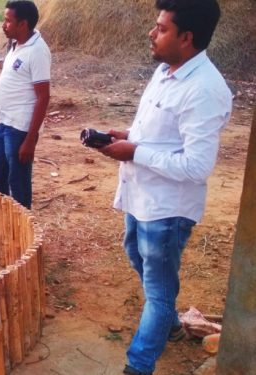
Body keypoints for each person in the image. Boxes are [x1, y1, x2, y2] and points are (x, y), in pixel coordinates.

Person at [95, 1, 232, 374]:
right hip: (142, 196)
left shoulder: (204, 90)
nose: (151, 33)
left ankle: (138, 366)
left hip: (167, 208)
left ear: (186, 38)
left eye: (161, 28)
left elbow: (197, 165)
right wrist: (128, 137)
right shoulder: (166, 71)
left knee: (157, 289)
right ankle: (169, 323)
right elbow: (162, 137)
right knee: (137, 256)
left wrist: (135, 151)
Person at [0, 0, 50, 210]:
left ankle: (24, 230)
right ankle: (6, 220)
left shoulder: (38, 51)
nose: (3, 25)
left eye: (8, 21)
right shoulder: (15, 44)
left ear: (23, 24)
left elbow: (43, 97)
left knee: (19, 182)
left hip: (20, 129)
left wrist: (31, 139)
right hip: (4, 123)